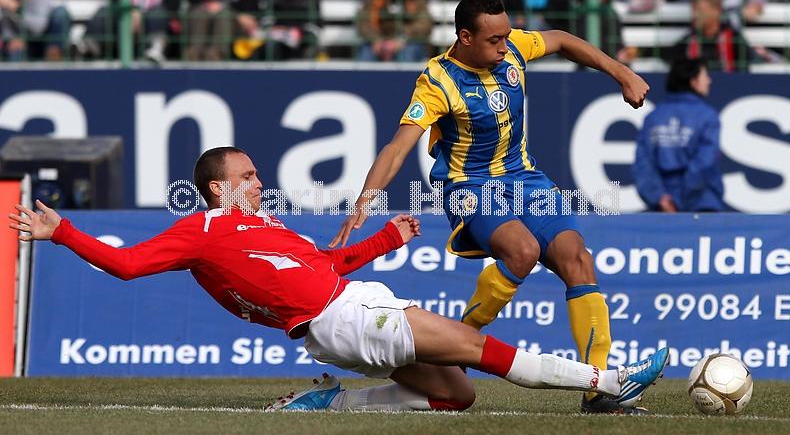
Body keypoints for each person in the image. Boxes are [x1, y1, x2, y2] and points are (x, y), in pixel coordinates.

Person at [9, 147, 668, 413]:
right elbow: (126, 264)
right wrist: (63, 232)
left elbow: (325, 266)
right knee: (477, 349)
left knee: (456, 396)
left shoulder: (268, 226)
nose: (259, 181)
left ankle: (331, 405)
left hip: (343, 314)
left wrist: (386, 240)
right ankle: (608, 382)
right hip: (344, 320)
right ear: (216, 186)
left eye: (256, 174)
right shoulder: (202, 228)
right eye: (247, 175)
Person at [330, 0, 652, 414]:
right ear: (465, 37)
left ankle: (599, 389)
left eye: (506, 36)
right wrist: (364, 201)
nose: (504, 46)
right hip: (470, 187)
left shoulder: (512, 47)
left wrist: (620, 72)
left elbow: (560, 39)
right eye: (494, 40)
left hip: (524, 178)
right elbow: (397, 147)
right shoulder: (438, 82)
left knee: (577, 257)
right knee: (523, 251)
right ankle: (456, 347)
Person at [633, 58, 725, 213]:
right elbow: (706, 161)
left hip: (664, 209)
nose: (709, 81)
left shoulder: (653, 117)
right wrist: (679, 199)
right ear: (693, 81)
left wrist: (660, 198)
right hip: (702, 206)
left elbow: (643, 164)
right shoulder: (707, 116)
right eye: (705, 76)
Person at [356, 0, 432, 62]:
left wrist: (402, 39)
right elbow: (363, 22)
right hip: (380, 42)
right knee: (366, 53)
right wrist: (376, 40)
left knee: (408, 52)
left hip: (409, 42)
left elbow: (424, 25)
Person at [0, 0, 70, 61]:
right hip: (23, 45)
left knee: (61, 13)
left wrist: (16, 9)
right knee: (15, 49)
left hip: (44, 42)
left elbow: (38, 28)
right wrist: (12, 39)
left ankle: (54, 57)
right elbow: (6, 27)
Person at [669, 0, 751, 72]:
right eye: (694, 11)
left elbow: (746, 69)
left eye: (700, 11)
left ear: (717, 11)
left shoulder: (734, 39)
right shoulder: (688, 40)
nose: (696, 15)